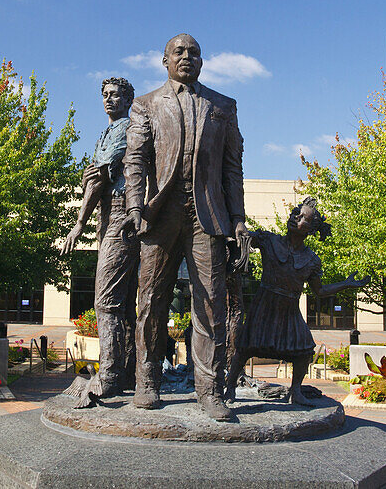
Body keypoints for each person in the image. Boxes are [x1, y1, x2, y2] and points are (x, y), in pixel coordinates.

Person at [123, 33, 247, 422]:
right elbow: (135, 160)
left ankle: (209, 390)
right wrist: (135, 206)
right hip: (160, 215)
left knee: (210, 303)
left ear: (202, 61)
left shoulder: (223, 106)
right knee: (150, 301)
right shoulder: (145, 105)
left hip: (207, 217)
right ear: (165, 60)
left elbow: (232, 167)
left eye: (194, 53)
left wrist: (238, 219)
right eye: (179, 52)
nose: (187, 57)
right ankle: (147, 382)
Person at [225, 197, 350, 406]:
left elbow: (319, 291)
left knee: (304, 349)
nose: (295, 218)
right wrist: (238, 228)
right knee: (245, 347)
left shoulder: (311, 260)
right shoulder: (270, 240)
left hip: (289, 309)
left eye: (302, 218)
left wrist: (347, 284)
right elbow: (245, 237)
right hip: (264, 304)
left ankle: (296, 391)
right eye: (295, 214)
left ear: (311, 230)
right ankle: (229, 389)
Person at [60, 78, 137, 406]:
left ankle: (108, 376)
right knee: (123, 302)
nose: (109, 99)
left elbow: (99, 178)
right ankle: (127, 371)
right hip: (112, 215)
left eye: (116, 95)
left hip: (119, 214)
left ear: (128, 99)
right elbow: (93, 177)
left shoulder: (122, 129)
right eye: (105, 95)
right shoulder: (108, 131)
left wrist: (78, 225)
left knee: (106, 300)